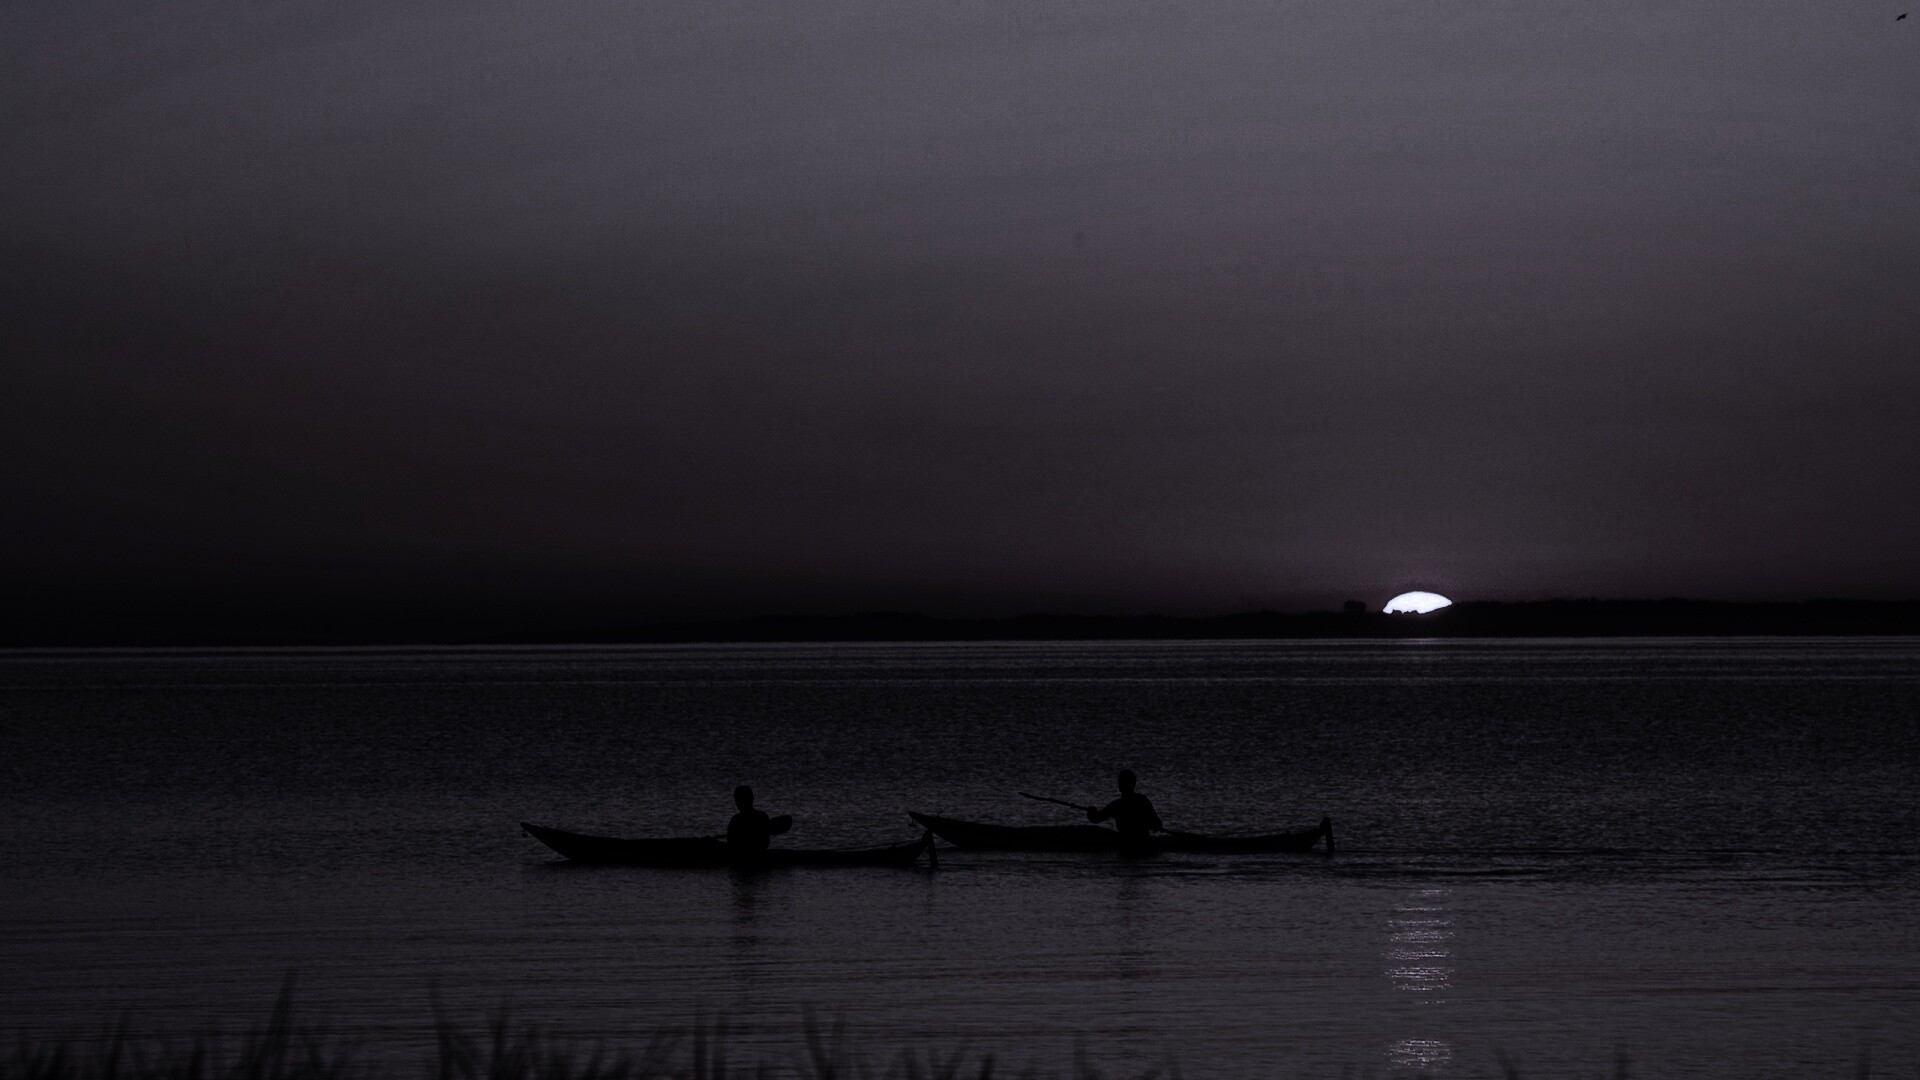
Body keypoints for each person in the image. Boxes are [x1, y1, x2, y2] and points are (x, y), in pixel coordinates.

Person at [1086, 769, 1163, 840]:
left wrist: (1091, 813)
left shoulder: (1117, 805)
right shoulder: (1142, 800)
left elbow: (1096, 818)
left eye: (1122, 781)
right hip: (1142, 841)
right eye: (1120, 780)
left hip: (1127, 841)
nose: (1119, 782)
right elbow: (1157, 824)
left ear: (1131, 783)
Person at [725, 785, 790, 852]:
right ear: (752, 798)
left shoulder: (736, 820)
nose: (737, 803)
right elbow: (766, 842)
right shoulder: (762, 816)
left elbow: (730, 843)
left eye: (738, 800)